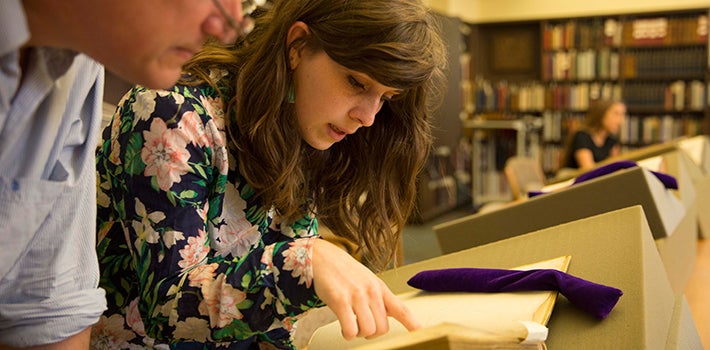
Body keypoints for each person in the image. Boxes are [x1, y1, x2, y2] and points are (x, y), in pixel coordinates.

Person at [91, 0, 447, 348]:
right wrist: (305, 263)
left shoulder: (302, 122)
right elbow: (169, 306)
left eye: (385, 97)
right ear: (298, 45)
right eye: (356, 82)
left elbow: (268, 312)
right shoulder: (171, 112)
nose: (368, 117)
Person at [0, 0, 244, 349]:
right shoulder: (168, 108)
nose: (228, 25)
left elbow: (48, 305)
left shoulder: (75, 66)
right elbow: (170, 302)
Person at [560, 99, 626, 171]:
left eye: (623, 115)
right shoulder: (582, 137)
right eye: (616, 114)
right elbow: (589, 170)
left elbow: (616, 169)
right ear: (602, 114)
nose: (620, 120)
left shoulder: (612, 141)